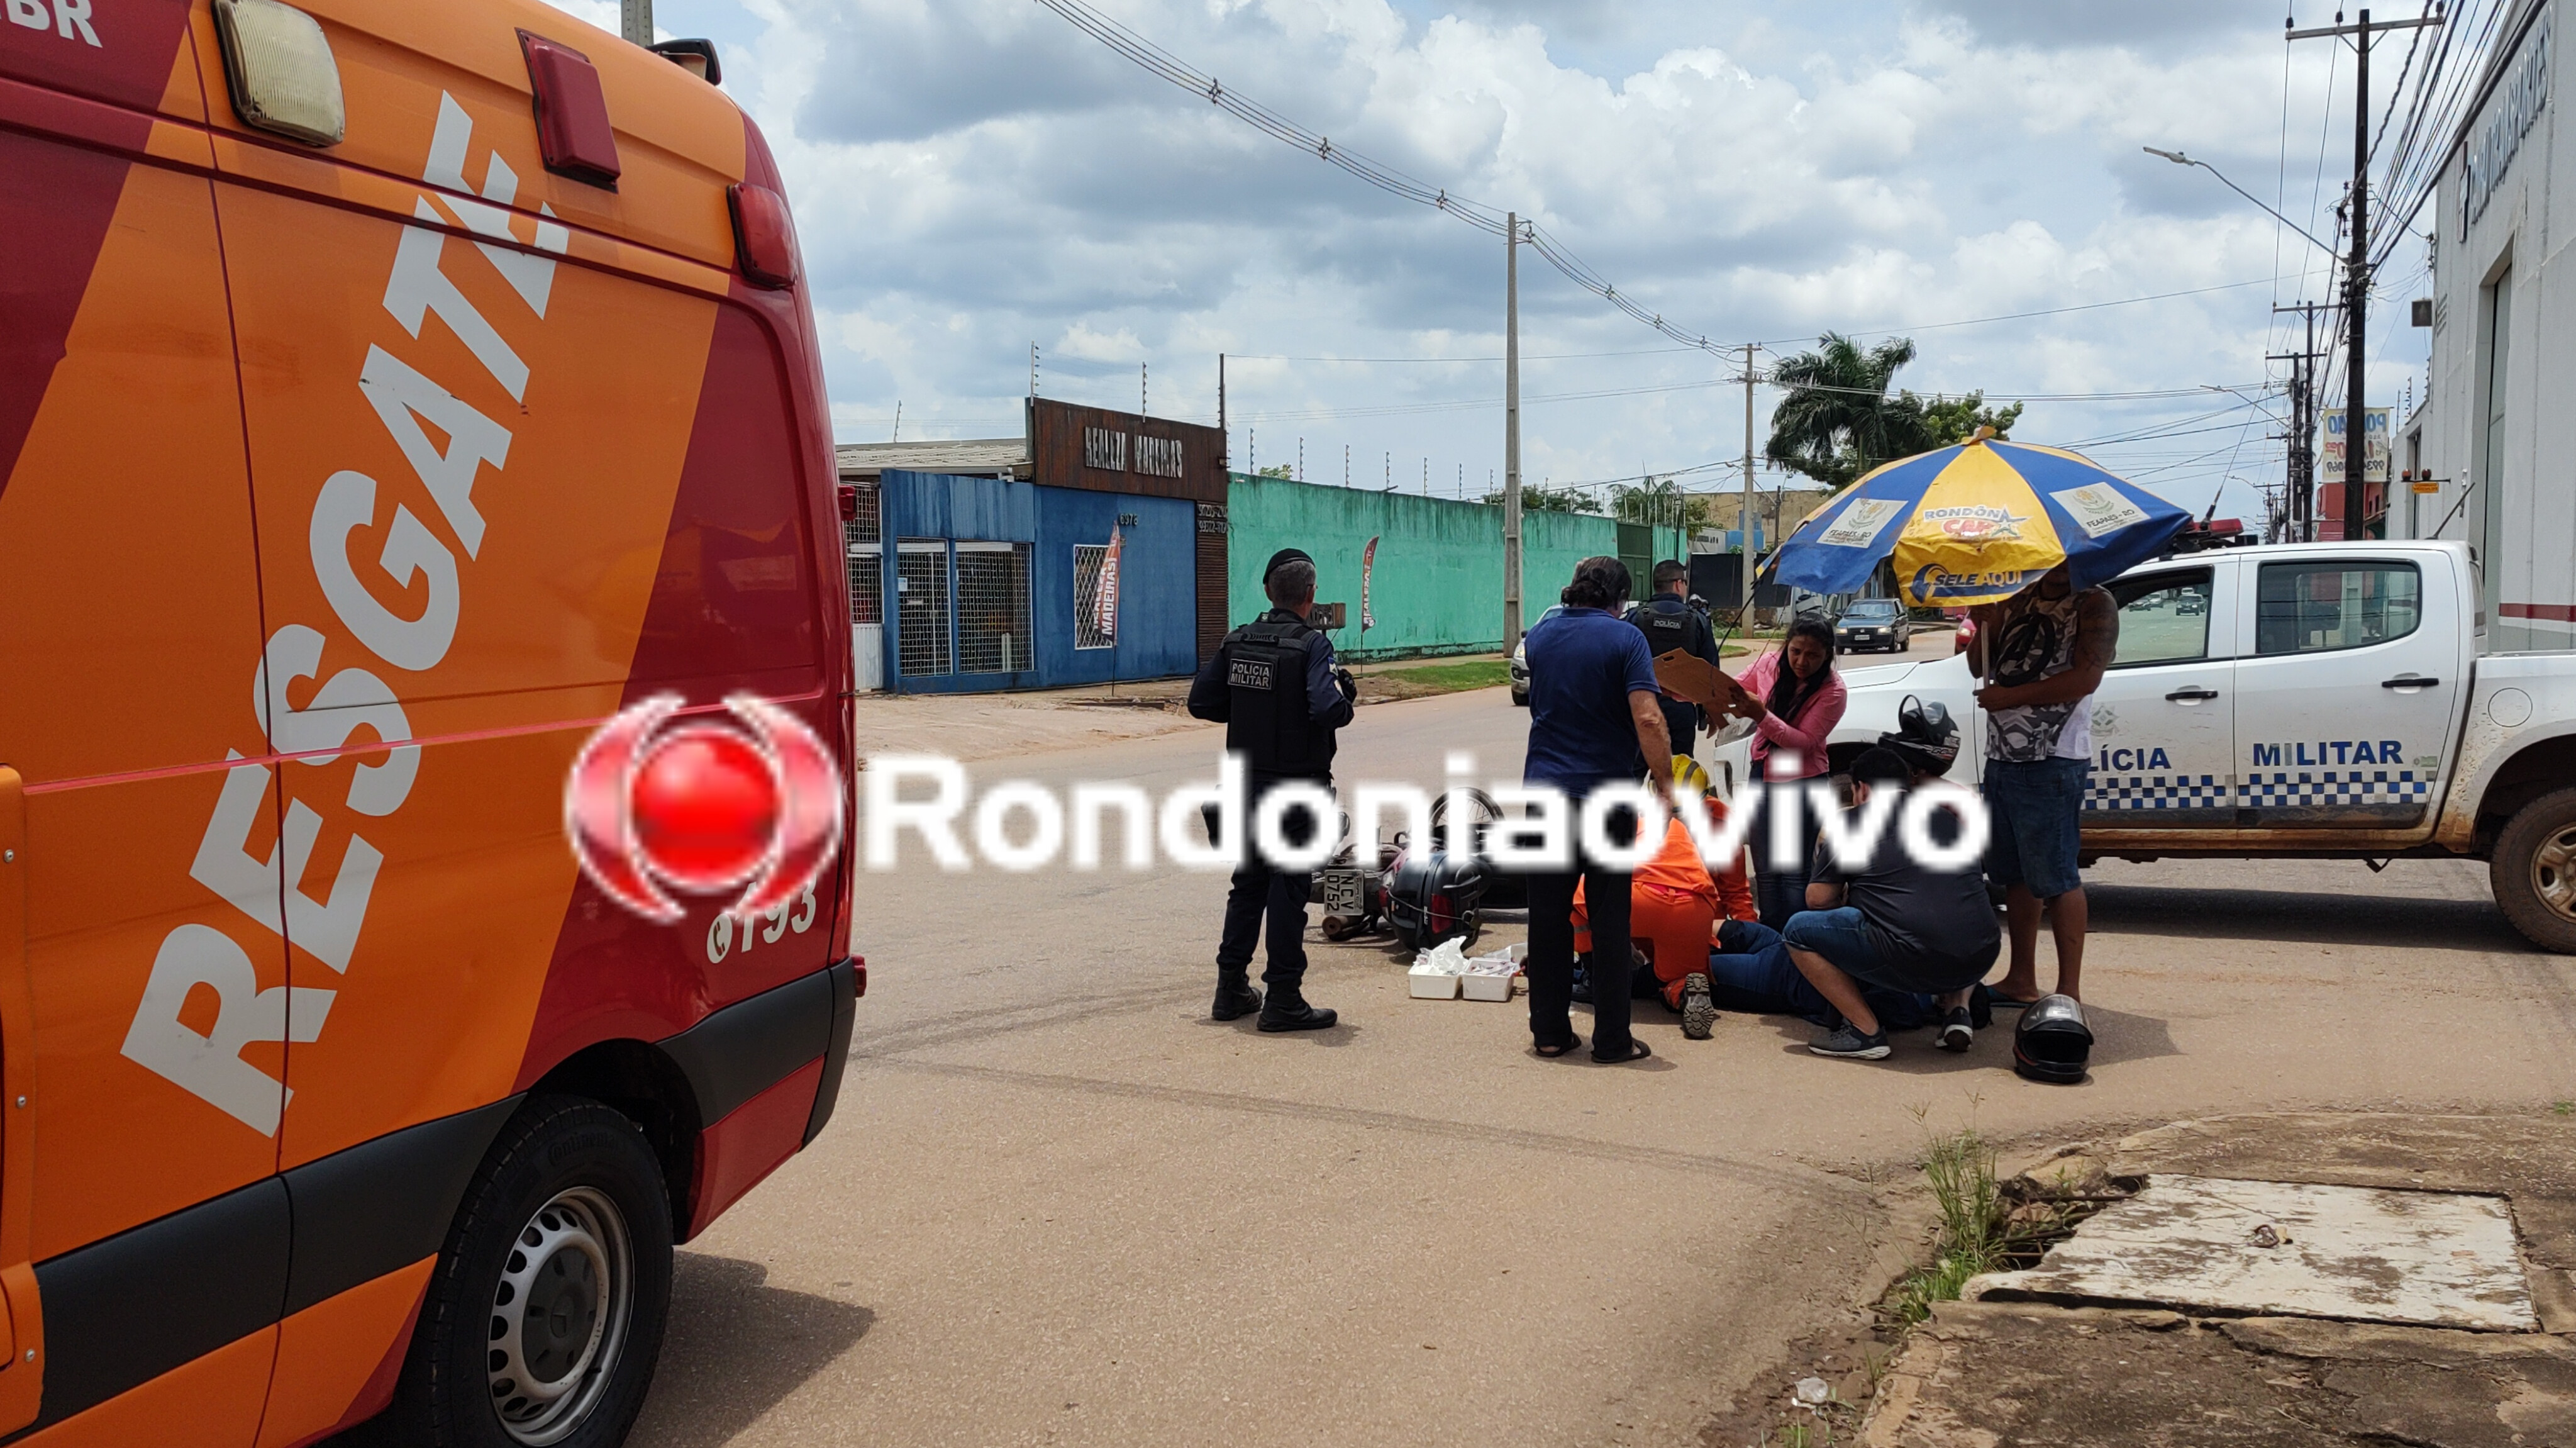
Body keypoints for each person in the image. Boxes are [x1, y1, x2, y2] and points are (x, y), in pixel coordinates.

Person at [1187, 549, 1356, 1032]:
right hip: (1296, 791)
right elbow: (1328, 709)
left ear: (1267, 592)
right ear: (1310, 595)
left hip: (1246, 788)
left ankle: (1231, 989)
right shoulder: (1312, 646)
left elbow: (1202, 701)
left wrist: (1247, 713)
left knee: (1248, 886)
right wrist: (1345, 701)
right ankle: (1283, 997)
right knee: (1288, 892)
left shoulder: (1238, 640)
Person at [1519, 556, 1674, 1064]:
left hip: (1545, 795)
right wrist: (1667, 785)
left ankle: (1549, 1033)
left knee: (1547, 917)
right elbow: (1648, 719)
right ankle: (1611, 1040)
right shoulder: (1626, 639)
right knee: (1610, 919)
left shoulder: (1540, 636)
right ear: (1620, 599)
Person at [1780, 747, 2000, 1061]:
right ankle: (1958, 1011)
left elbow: (1817, 901)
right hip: (1981, 953)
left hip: (1915, 955)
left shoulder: (1851, 823)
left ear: (1863, 788)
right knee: (1955, 916)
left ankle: (1864, 1031)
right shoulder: (1946, 818)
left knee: (1798, 930)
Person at [1966, 564, 2117, 1006]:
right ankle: (2021, 978)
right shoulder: (2019, 597)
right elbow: (1979, 665)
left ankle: (2068, 992)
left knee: (2058, 876)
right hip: (2003, 755)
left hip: (2053, 757)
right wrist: (1984, 623)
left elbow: (2086, 679)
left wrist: (2010, 699)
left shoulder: (2095, 602)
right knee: (2015, 875)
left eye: (2068, 559)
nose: (2058, 568)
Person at [1569, 756, 1757, 1040]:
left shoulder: (1714, 824)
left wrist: (1746, 935)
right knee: (1674, 977)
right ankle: (1684, 991)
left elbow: (1736, 892)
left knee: (1575, 896)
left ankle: (1593, 976)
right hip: (1695, 913)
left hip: (1660, 908)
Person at [1719, 617, 1845, 929]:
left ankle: (1796, 939)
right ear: (1786, 646)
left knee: (1791, 871)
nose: (1802, 661)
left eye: (1813, 655)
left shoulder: (1833, 691)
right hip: (1763, 773)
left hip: (1801, 783)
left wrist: (1760, 714)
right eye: (1796, 651)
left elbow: (1801, 743)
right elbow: (1731, 690)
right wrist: (1696, 693)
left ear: (1828, 655)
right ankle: (1772, 938)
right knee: (1764, 868)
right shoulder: (1769, 664)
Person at [1698, 918, 1939, 1033]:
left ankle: (1667, 980)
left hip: (1779, 978)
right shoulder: (1915, 963)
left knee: (1694, 970)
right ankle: (1671, 930)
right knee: (1718, 927)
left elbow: (1838, 1013)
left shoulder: (1906, 1007)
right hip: (1782, 943)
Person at [1628, 560, 1723, 760]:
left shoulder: (1635, 618)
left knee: (1634, 773)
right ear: (1679, 584)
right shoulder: (1697, 620)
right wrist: (1710, 711)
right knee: (1679, 774)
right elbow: (1710, 672)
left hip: (1640, 708)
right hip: (1682, 711)